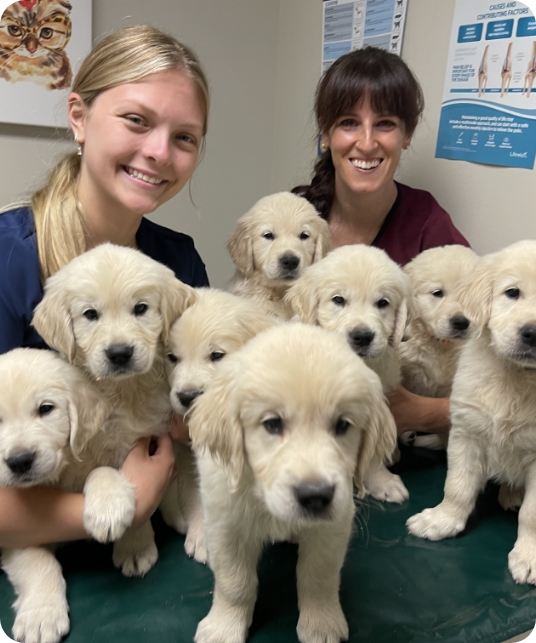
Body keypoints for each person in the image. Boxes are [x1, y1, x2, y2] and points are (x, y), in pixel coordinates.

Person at [0, 25, 210, 548]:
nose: (160, 151)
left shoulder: (178, 260)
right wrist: (128, 503)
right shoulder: (9, 258)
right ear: (79, 117)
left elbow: (203, 399)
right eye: (136, 121)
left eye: (185, 137)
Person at [293, 46, 470, 436]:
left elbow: (484, 352)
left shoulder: (429, 226)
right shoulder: (296, 220)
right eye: (349, 122)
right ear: (325, 133)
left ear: (407, 133)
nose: (367, 142)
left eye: (386, 123)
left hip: (399, 440)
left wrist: (424, 413)